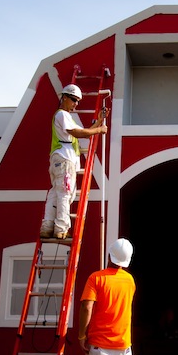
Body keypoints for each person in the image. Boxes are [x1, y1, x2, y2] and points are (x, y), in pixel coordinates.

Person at [40, 84, 107, 239]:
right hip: (64, 159)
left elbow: (84, 131)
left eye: (78, 101)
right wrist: (99, 130)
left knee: (56, 194)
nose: (76, 104)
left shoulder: (64, 117)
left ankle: (48, 226)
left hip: (59, 159)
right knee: (65, 193)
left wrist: (98, 122)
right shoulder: (62, 115)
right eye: (73, 100)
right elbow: (79, 133)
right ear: (64, 97)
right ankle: (61, 229)